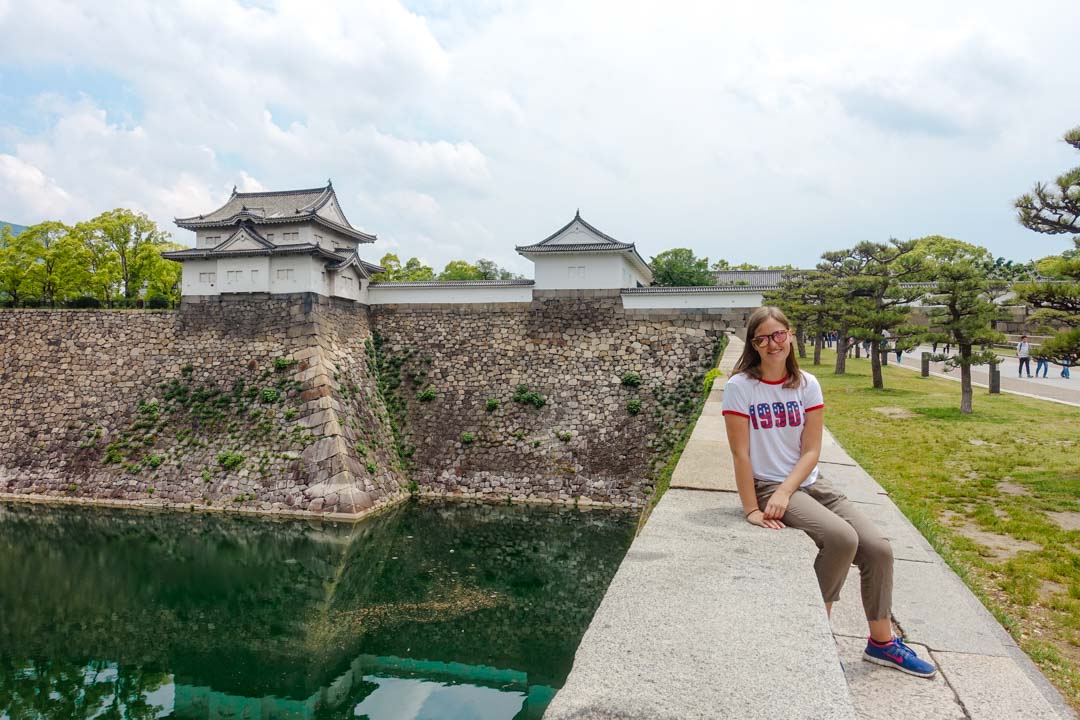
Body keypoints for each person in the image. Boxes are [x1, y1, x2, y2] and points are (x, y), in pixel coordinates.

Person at [722, 306, 936, 678]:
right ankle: (816, 639)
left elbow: (811, 451)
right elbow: (740, 454)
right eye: (762, 339)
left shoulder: (807, 384)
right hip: (767, 484)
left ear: (790, 335)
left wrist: (788, 490)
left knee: (879, 549)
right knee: (841, 539)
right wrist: (752, 509)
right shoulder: (740, 387)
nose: (772, 344)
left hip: (807, 481)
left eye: (778, 335)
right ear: (753, 345)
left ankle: (882, 642)